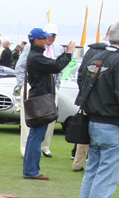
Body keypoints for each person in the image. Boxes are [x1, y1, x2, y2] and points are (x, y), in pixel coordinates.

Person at [76, 21, 119, 198]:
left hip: (94, 120)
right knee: (106, 176)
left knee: (93, 172)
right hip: (113, 124)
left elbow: (82, 82)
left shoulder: (96, 57)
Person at [22, 27, 75, 180]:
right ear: (37, 41)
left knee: (35, 136)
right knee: (36, 136)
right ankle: (31, 171)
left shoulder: (36, 56)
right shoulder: (36, 57)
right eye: (44, 39)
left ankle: (30, 169)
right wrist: (69, 53)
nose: (47, 41)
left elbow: (53, 65)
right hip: (40, 100)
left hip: (39, 98)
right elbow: (56, 66)